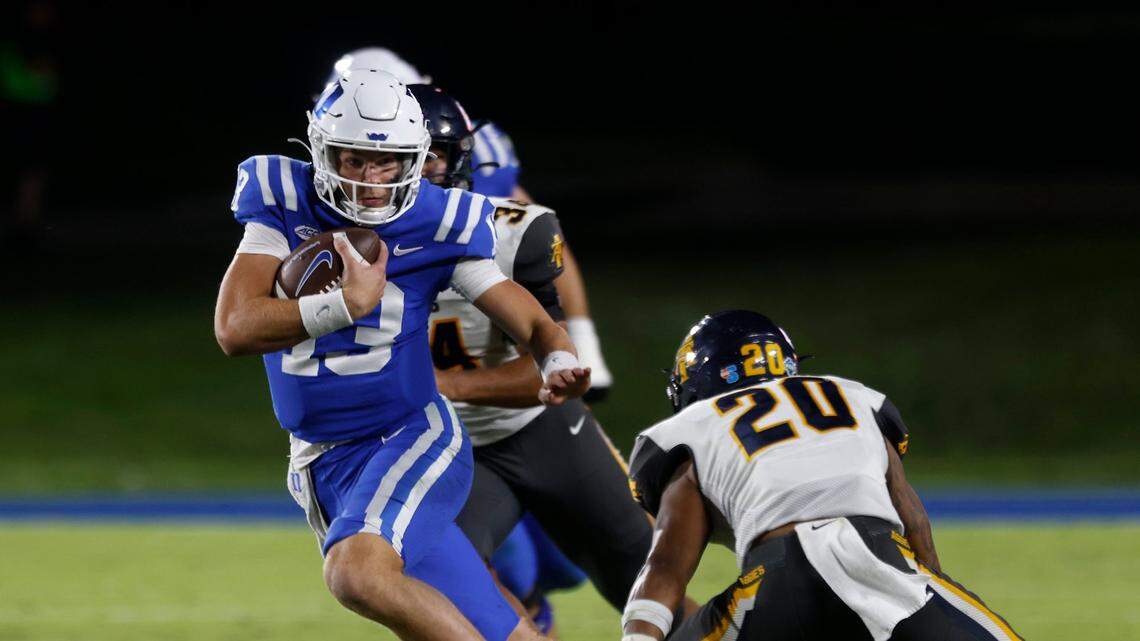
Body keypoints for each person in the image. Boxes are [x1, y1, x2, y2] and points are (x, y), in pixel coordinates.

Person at [214, 68, 590, 641]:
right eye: (354, 159)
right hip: (320, 457)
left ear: (415, 160)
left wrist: (558, 355)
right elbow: (234, 328)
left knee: (356, 574)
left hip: (407, 436)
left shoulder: (439, 221)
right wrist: (345, 304)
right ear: (321, 150)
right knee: (496, 627)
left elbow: (531, 318)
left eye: (386, 162)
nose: (371, 180)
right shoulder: (282, 199)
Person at [409, 84, 668, 630]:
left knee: (647, 579)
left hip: (541, 428)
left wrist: (442, 386)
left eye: (427, 154)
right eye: (394, 157)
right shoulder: (347, 244)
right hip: (447, 448)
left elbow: (544, 367)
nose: (412, 170)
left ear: (458, 159)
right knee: (448, 582)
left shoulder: (509, 230)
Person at [622, 310, 1024, 641]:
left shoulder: (695, 426)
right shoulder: (852, 396)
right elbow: (912, 519)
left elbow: (666, 567)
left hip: (779, 580)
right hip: (881, 565)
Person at [325, 47, 614, 400]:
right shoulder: (336, 153)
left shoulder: (456, 146)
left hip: (467, 300)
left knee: (522, 239)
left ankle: (585, 342)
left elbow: (516, 217)